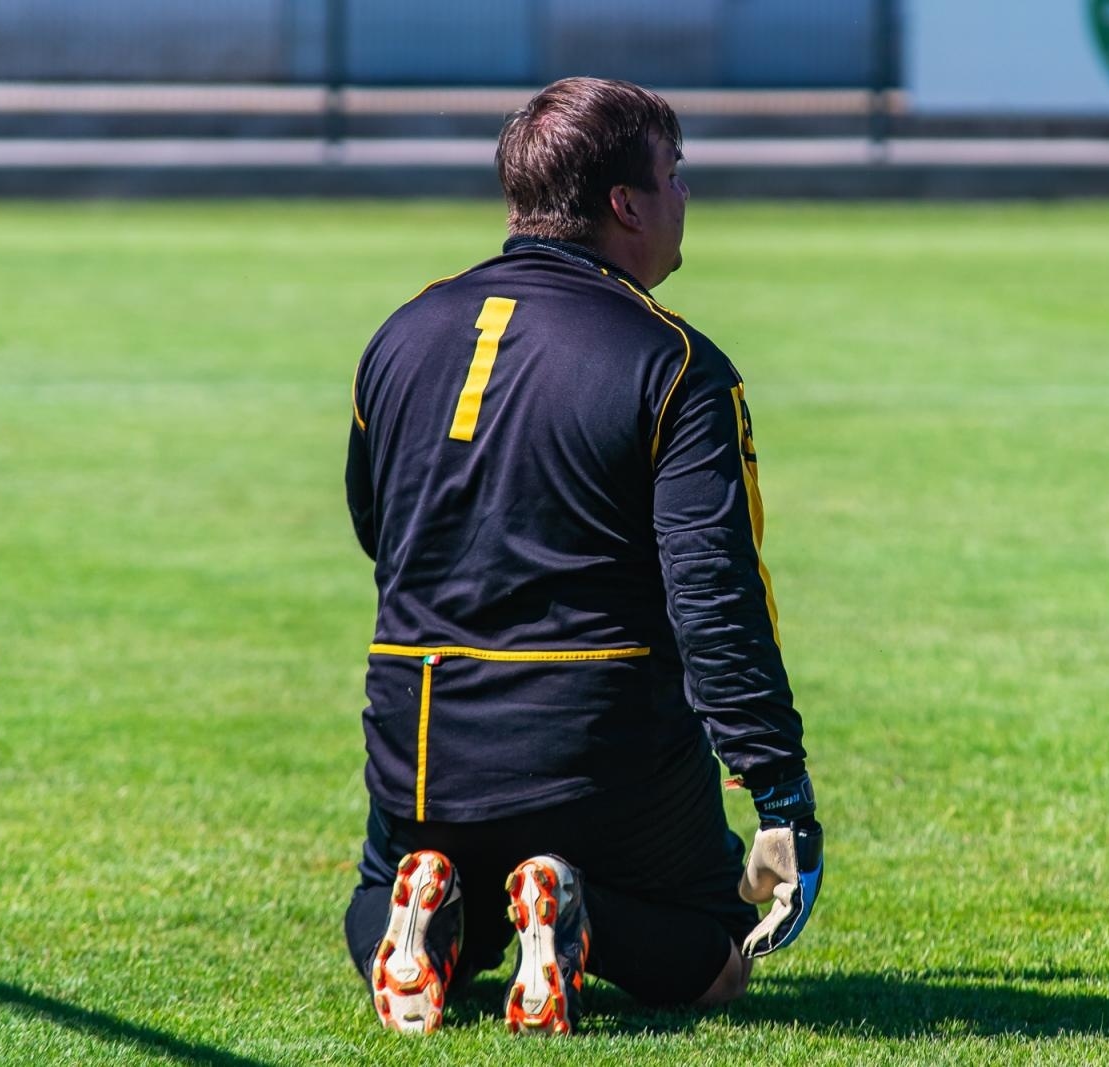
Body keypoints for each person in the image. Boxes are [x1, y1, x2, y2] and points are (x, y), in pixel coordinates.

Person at [342, 76, 822, 1036]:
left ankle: (436, 911)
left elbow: (377, 529)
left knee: (380, 884)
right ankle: (571, 901)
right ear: (625, 205)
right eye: (673, 174)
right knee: (715, 953)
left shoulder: (401, 332)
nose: (685, 194)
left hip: (422, 739)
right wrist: (779, 788)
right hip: (600, 751)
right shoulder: (676, 363)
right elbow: (714, 595)